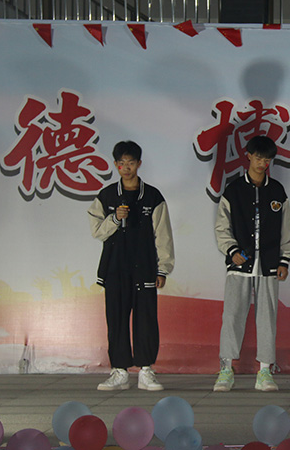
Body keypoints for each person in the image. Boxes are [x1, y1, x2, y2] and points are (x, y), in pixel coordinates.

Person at [88, 140, 175, 391]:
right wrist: (115, 219)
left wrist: (162, 268)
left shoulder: (153, 196)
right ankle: (119, 371)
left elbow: (163, 235)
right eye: (121, 163)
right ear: (116, 165)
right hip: (115, 268)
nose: (126, 168)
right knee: (116, 319)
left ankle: (146, 370)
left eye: (131, 163)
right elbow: (97, 231)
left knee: (146, 319)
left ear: (139, 164)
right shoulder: (106, 196)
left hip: (145, 267)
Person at [213, 135, 290, 392]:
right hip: (240, 263)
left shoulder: (277, 191)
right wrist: (231, 250)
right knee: (232, 316)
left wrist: (284, 259)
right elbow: (222, 227)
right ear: (248, 156)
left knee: (267, 318)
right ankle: (226, 369)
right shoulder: (234, 190)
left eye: (267, 159)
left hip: (269, 264)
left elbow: (287, 229)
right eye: (259, 158)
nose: (262, 163)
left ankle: (265, 371)